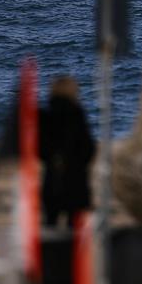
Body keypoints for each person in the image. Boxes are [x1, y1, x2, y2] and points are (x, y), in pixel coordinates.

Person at [38, 76, 98, 228]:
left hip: (52, 180)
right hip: (75, 180)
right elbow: (88, 148)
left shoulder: (44, 115)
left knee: (50, 224)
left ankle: (51, 252)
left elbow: (40, 150)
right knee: (74, 229)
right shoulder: (76, 114)